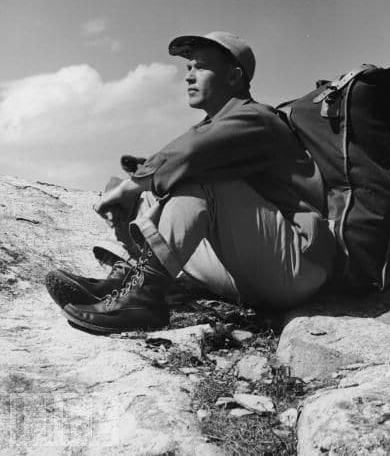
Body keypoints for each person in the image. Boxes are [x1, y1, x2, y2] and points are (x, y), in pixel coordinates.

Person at [46, 31, 336, 334]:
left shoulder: (257, 118)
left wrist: (129, 187)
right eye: (188, 68)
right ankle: (129, 284)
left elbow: (189, 153)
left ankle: (143, 300)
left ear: (235, 76)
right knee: (142, 191)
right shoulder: (213, 125)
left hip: (296, 269)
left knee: (194, 184)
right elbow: (173, 162)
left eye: (201, 67)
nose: (189, 76)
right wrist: (128, 189)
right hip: (252, 275)